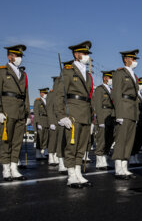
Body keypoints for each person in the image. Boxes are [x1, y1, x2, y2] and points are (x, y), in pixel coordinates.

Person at [56, 41, 94, 188]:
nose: (86, 56)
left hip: (85, 112)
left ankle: (78, 172)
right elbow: (60, 94)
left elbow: (89, 98)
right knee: (71, 145)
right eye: (84, 53)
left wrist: (92, 118)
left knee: (82, 145)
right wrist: (61, 116)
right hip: (72, 112)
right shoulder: (68, 70)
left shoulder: (88, 75)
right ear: (76, 54)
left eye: (87, 54)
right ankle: (71, 174)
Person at [0, 44, 31, 181]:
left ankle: (14, 168)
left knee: (17, 141)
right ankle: (6, 169)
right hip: (7, 111)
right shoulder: (1, 71)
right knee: (6, 141)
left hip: (20, 112)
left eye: (20, 56)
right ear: (10, 56)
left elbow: (25, 95)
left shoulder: (23, 74)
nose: (20, 58)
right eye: (17, 56)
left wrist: (27, 113)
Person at [111, 49, 140, 180]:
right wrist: (118, 113)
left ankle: (124, 167)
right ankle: (118, 168)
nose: (135, 61)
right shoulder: (119, 73)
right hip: (123, 108)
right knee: (121, 139)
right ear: (125, 60)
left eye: (135, 59)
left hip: (132, 110)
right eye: (133, 59)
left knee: (129, 140)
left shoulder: (133, 74)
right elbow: (116, 93)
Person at [92, 70, 115, 170]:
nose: (111, 80)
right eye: (110, 78)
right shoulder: (99, 89)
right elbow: (97, 105)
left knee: (110, 139)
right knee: (102, 140)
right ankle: (99, 161)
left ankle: (104, 159)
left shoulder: (111, 90)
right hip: (103, 116)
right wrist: (100, 121)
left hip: (111, 116)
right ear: (105, 78)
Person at [33, 88, 50, 162]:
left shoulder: (47, 101)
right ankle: (38, 153)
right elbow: (36, 112)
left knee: (45, 138)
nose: (46, 95)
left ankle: (43, 152)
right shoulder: (37, 101)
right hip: (41, 120)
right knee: (40, 138)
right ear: (41, 94)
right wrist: (38, 122)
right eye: (45, 93)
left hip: (47, 121)